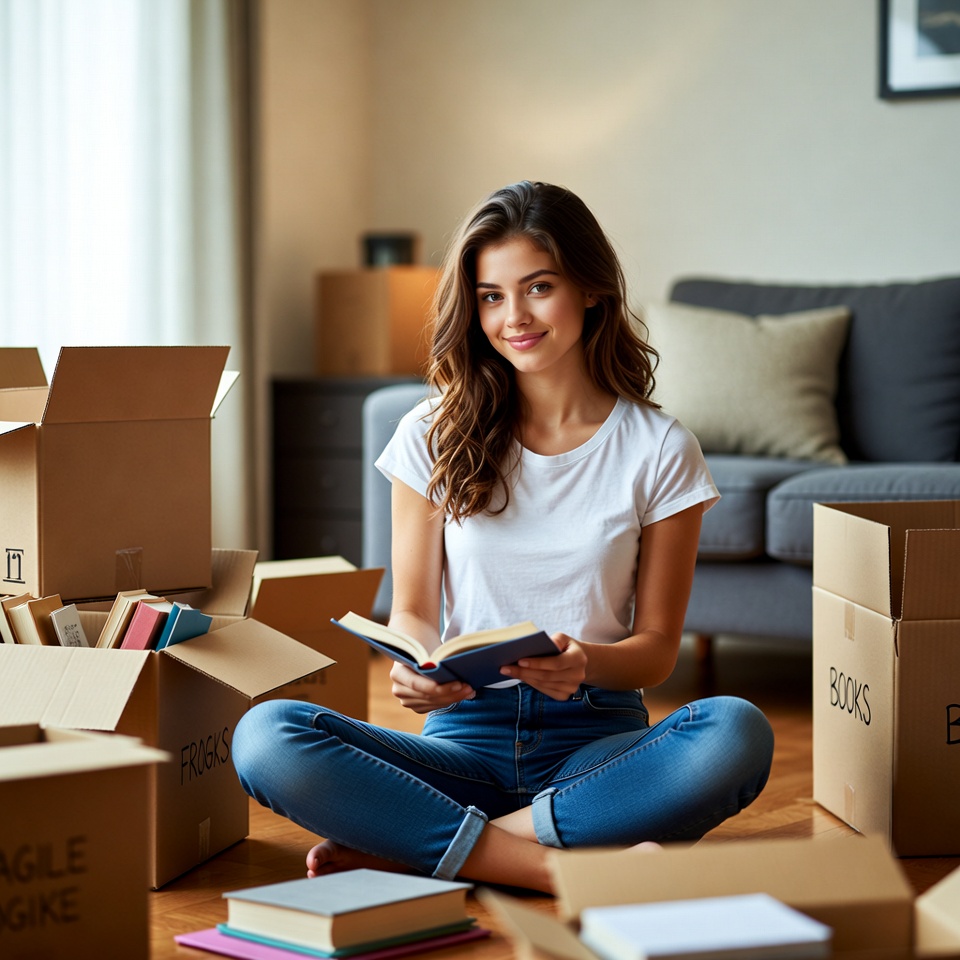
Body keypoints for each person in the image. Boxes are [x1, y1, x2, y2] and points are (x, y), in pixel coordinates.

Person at [233, 181, 774, 895]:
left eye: (538, 287)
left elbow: (656, 651)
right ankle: (551, 865)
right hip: (464, 743)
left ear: (590, 289)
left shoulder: (660, 448)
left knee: (736, 732)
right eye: (490, 296)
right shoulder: (430, 434)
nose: (513, 317)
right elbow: (414, 610)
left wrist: (585, 664)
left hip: (596, 750)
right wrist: (416, 665)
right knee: (267, 735)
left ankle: (426, 847)